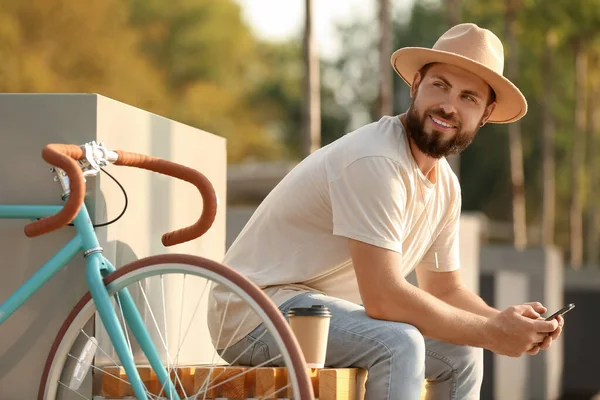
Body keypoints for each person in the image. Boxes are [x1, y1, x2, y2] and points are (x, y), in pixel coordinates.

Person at [208, 23, 563, 399]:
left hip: (321, 317)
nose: (448, 105)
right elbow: (384, 298)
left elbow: (445, 289)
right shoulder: (375, 159)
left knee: (461, 352)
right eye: (439, 86)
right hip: (254, 314)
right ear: (415, 85)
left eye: (468, 98)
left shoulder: (445, 186)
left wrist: (504, 321)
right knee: (399, 342)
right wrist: (493, 334)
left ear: (486, 113)